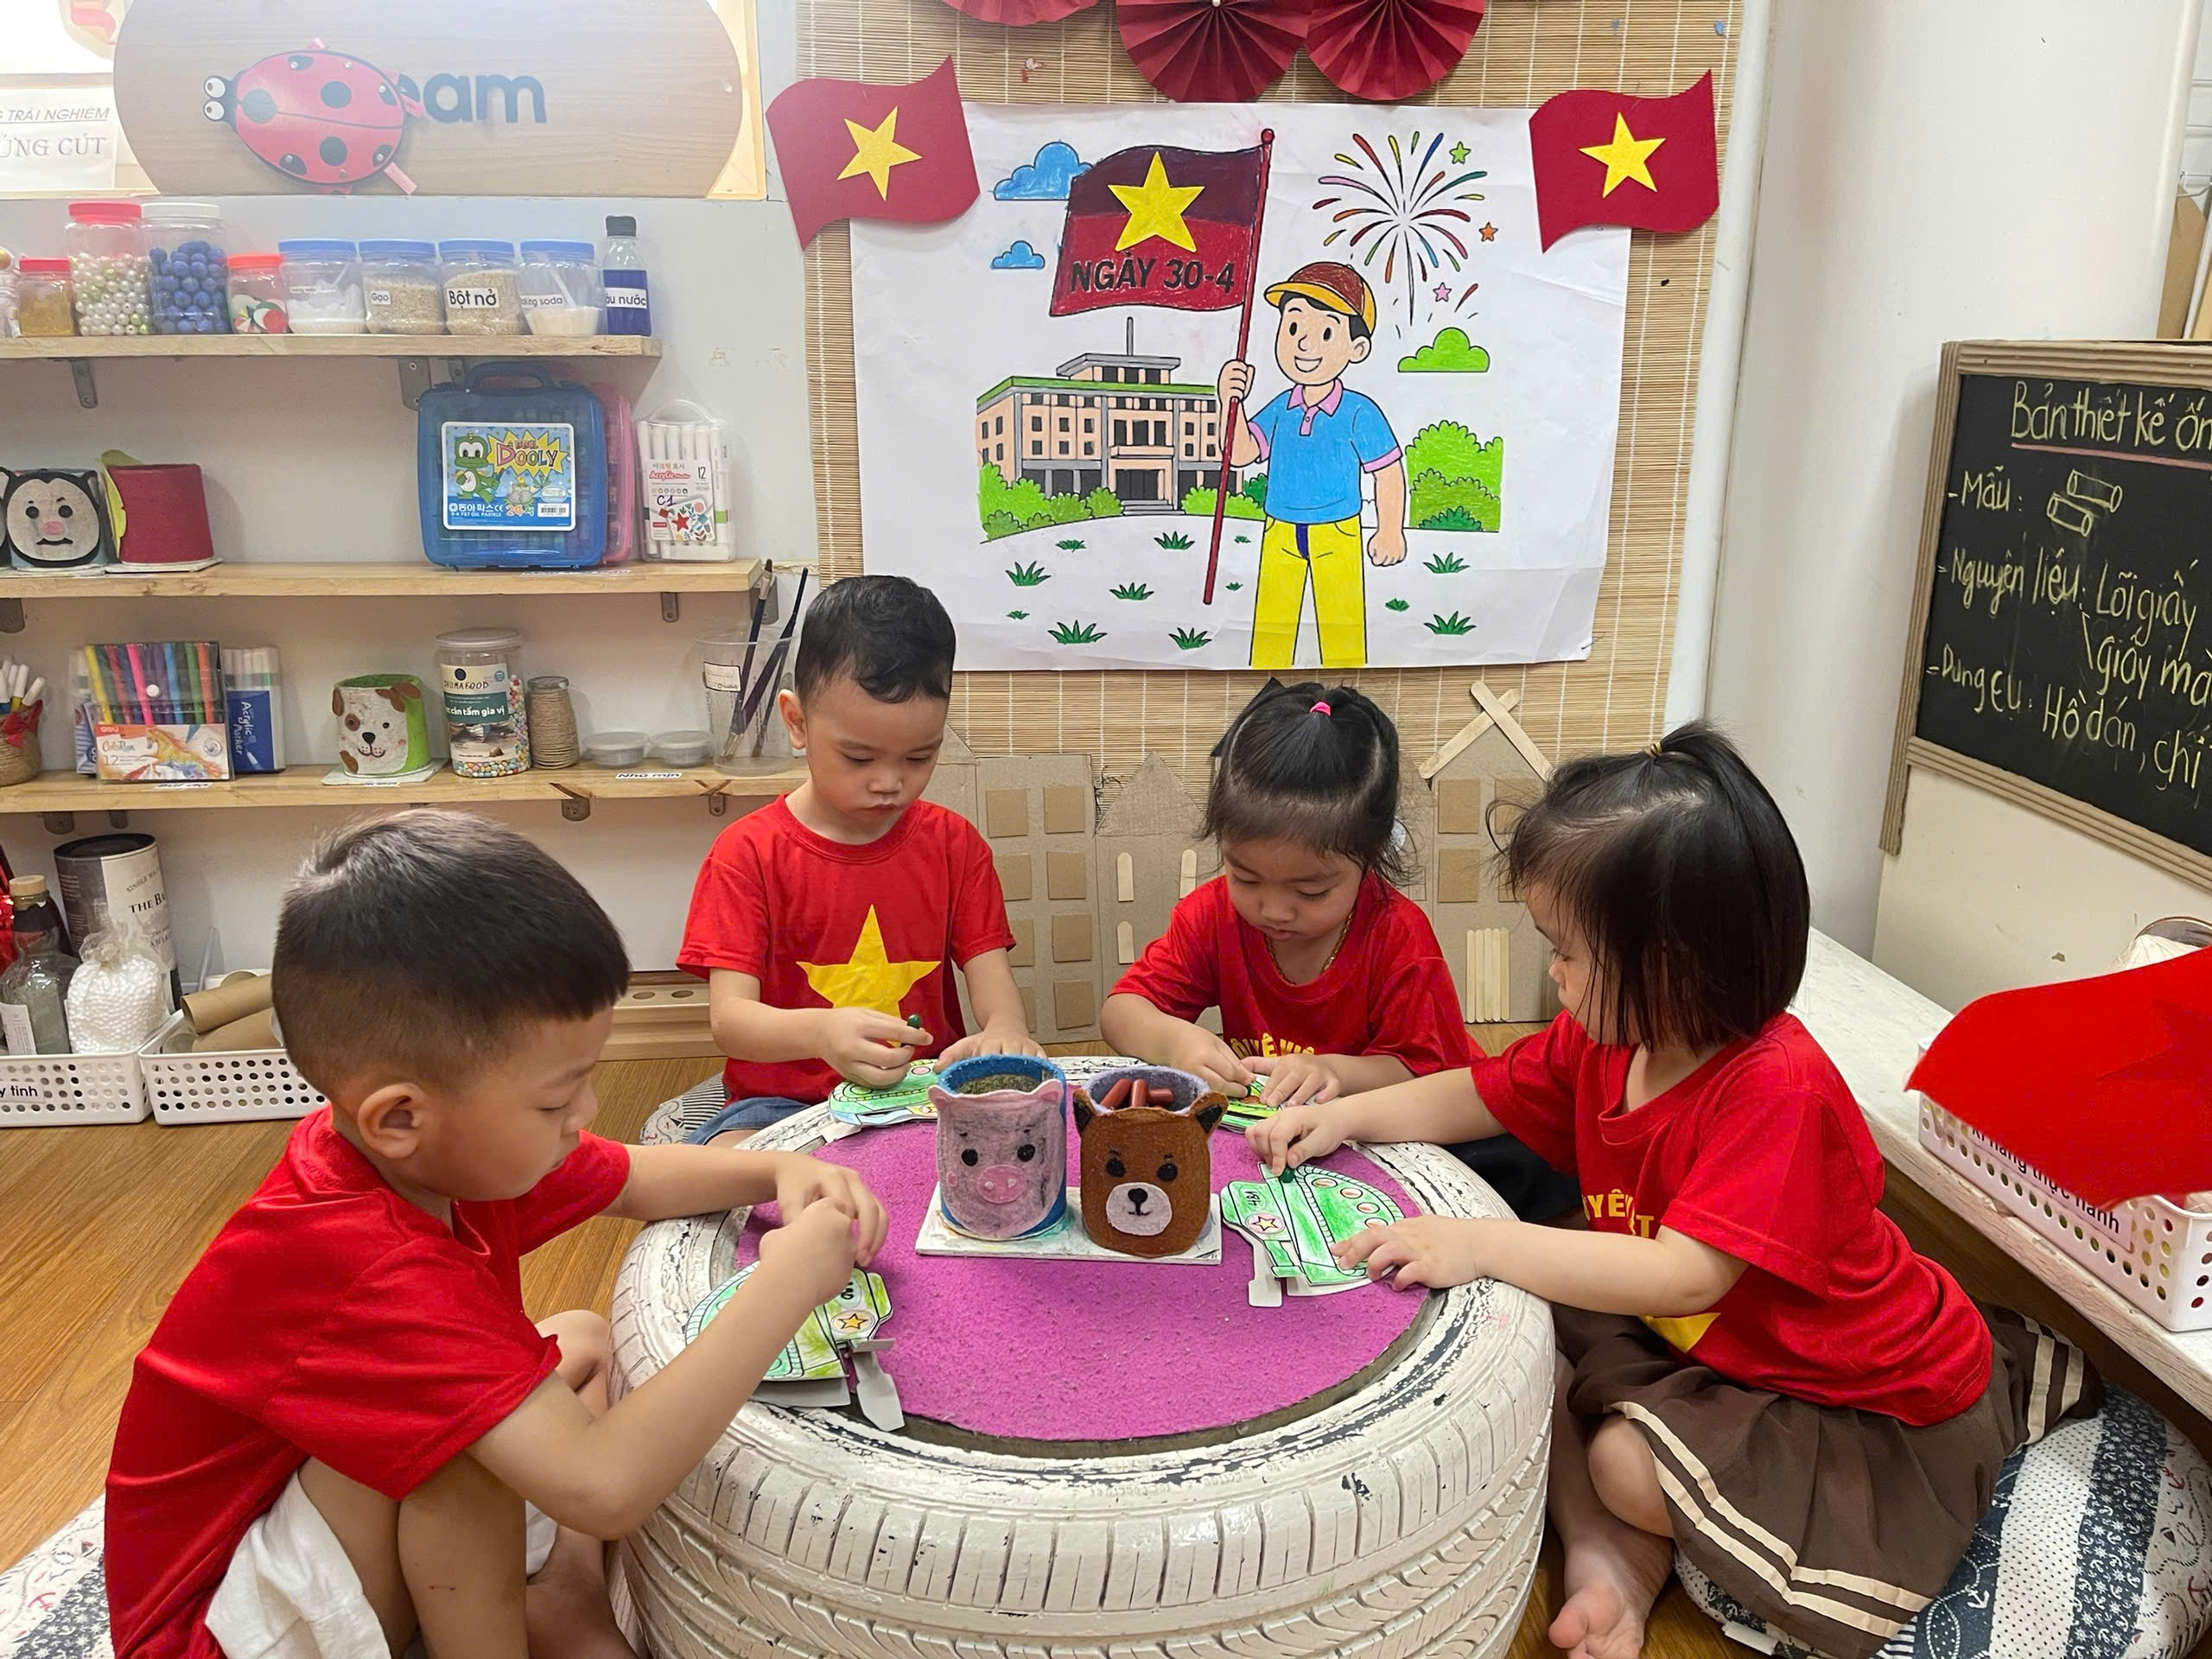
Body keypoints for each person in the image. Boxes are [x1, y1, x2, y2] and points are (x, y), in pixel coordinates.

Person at [1250, 723, 2101, 1659]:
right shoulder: (1612, 1036)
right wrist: (1348, 1116)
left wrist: (1479, 1241)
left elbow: (1686, 1276)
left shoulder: (1776, 1089)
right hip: (1711, 1346)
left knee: (1620, 1457)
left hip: (1846, 1396)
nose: (1553, 974)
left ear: (1672, 966)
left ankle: (1634, 1529)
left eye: (1568, 952)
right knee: (1519, 1344)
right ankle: (1609, 1556)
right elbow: (1482, 1093)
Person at [104, 810, 889, 1659]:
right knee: (463, 1448)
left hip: (292, 1526)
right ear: (400, 1116)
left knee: (582, 1342)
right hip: (204, 1631)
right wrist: (786, 1283)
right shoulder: (365, 1259)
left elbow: (630, 1175)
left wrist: (774, 1170)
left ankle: (566, 1595)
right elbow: (605, 1488)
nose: (584, 1114)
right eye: (555, 1100)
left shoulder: (426, 1152)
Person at [1101, 680, 1575, 1220]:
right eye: (1245, 877)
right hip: (1290, 1133)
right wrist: (1175, 1041)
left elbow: (1429, 1077)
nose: (1274, 910)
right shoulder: (1212, 914)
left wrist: (1336, 1073)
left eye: (1311, 892)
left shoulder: (1396, 934)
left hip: (1409, 1125)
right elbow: (1121, 1011)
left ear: (1370, 857)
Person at [677, 575, 1038, 1141]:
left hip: (922, 1090)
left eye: (919, 757)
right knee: (732, 1168)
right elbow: (731, 1022)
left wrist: (1006, 1030)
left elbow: (995, 989)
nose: (890, 782)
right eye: (859, 758)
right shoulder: (746, 854)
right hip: (782, 1101)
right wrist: (822, 1033)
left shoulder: (955, 844)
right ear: (797, 722)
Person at [1215, 260, 1408, 671]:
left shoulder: (1359, 412)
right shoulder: (1281, 407)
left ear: (1356, 349)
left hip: (1336, 532)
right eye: (1292, 326)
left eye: (1326, 333)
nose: (1304, 343)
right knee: (1271, 633)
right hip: (1279, 530)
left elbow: (1387, 471)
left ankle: (1348, 697)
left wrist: (1390, 530)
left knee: (1343, 634)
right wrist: (1231, 403)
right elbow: (1242, 453)